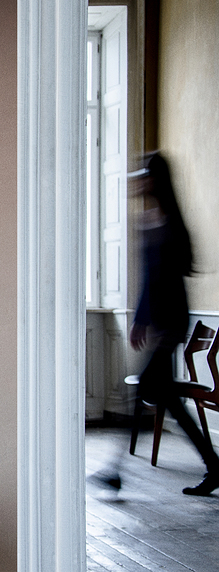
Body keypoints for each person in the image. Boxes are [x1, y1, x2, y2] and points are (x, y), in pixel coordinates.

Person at [129, 152, 219, 496]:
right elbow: (147, 279)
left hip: (172, 322)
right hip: (160, 323)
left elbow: (171, 278)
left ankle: (114, 470)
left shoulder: (169, 225)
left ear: (158, 181)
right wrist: (140, 320)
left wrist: (157, 325)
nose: (140, 182)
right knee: (168, 398)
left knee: (147, 385)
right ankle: (214, 466)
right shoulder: (149, 222)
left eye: (146, 176)